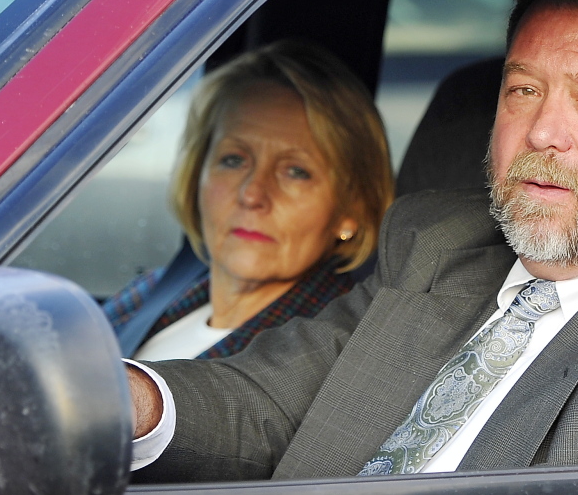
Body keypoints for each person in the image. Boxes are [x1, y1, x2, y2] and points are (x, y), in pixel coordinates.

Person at [126, 0, 578, 481]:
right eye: (524, 90)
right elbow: (269, 403)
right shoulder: (437, 242)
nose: (543, 131)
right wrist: (127, 402)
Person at [105, 39, 393, 361]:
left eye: (296, 171)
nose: (252, 194)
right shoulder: (155, 292)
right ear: (197, 173)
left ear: (350, 209)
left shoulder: (328, 357)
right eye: (233, 160)